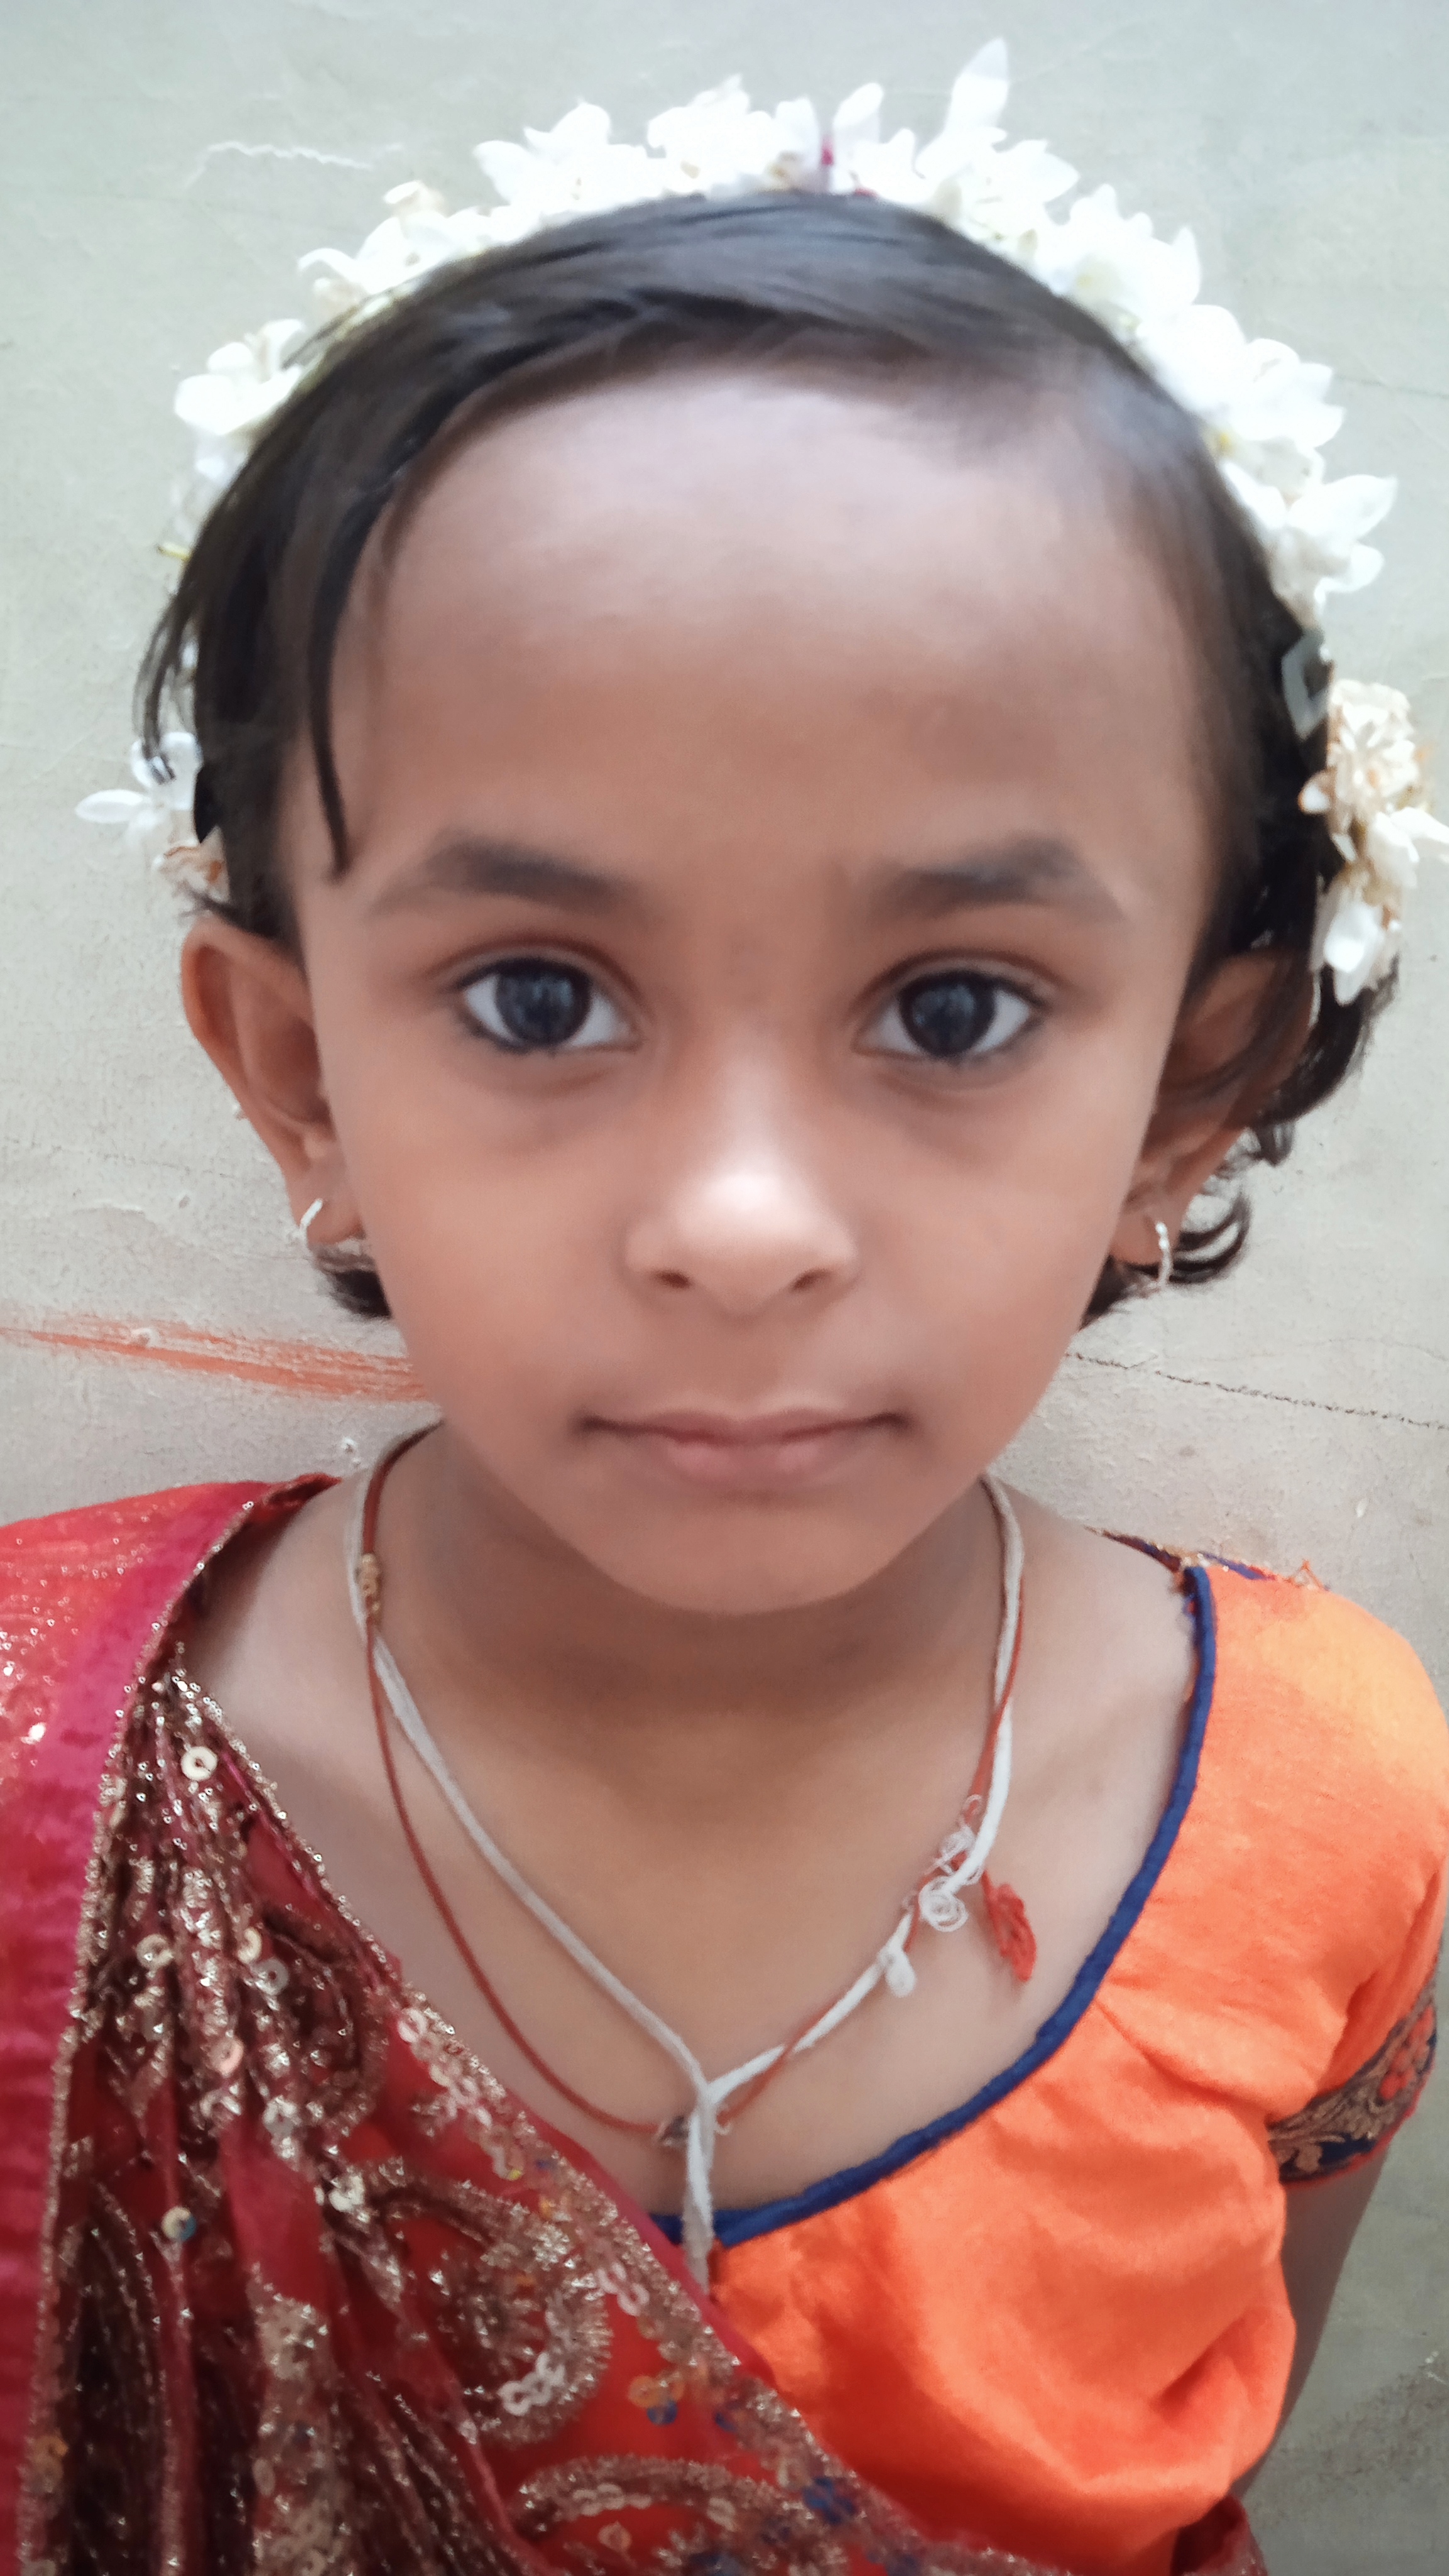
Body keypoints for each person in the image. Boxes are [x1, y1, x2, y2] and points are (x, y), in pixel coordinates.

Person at [3, 93, 1446, 2576]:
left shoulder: (1325, 1800)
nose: (742, 1226)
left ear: (1188, 1094)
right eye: (540, 996)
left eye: (958, 1007)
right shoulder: (42, 1756)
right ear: (298, 1070)